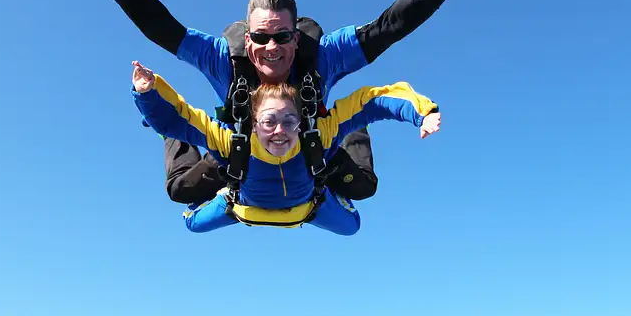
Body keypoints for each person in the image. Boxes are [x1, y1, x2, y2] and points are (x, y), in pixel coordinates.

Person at [47, 0, 502, 205]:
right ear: (247, 39)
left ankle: (350, 129)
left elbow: (390, 26)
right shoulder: (222, 59)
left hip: (310, 139)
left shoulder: (321, 57)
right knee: (181, 190)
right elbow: (162, 27)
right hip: (239, 148)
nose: (271, 48)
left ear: (294, 35)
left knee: (362, 187)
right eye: (260, 38)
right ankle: (171, 129)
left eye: (282, 37)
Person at [130, 60, 441, 235]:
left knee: (354, 220)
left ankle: (354, 130)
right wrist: (148, 92)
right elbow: (180, 117)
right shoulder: (230, 141)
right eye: (268, 122)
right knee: (189, 216)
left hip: (308, 206)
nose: (279, 130)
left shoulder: (318, 132)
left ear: (301, 121)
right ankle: (177, 145)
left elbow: (372, 100)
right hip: (241, 208)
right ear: (253, 122)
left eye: (289, 121)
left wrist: (421, 112)